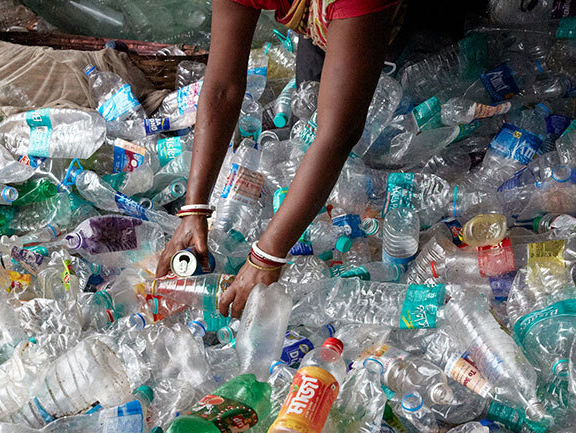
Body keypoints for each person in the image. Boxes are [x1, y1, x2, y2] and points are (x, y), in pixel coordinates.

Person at [154, 0, 401, 318]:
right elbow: (221, 90)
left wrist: (267, 256)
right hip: (323, 20)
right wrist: (194, 209)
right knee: (309, 104)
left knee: (387, 143)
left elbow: (337, 133)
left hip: (390, 20)